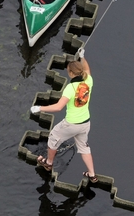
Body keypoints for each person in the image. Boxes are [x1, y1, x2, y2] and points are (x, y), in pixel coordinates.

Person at [30, 48, 98, 184]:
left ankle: (48, 163)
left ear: (71, 73)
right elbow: (87, 69)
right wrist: (82, 57)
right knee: (84, 147)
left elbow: (58, 107)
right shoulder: (88, 81)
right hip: (85, 123)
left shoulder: (70, 88)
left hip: (71, 124)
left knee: (53, 137)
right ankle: (92, 175)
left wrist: (39, 108)